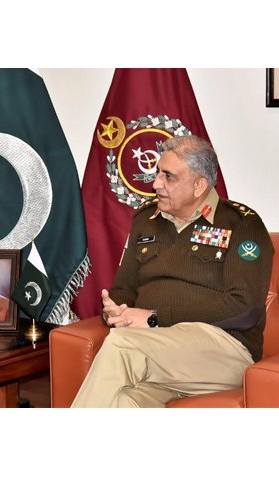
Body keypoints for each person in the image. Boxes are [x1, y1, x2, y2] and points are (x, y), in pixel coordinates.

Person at [72, 135, 273, 407]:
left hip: (224, 350)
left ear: (199, 185)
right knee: (123, 401)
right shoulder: (146, 219)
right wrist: (117, 311)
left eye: (169, 177)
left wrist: (155, 318)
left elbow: (244, 307)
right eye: (157, 174)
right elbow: (124, 289)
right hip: (157, 349)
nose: (156, 184)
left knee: (122, 345)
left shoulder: (240, 223)